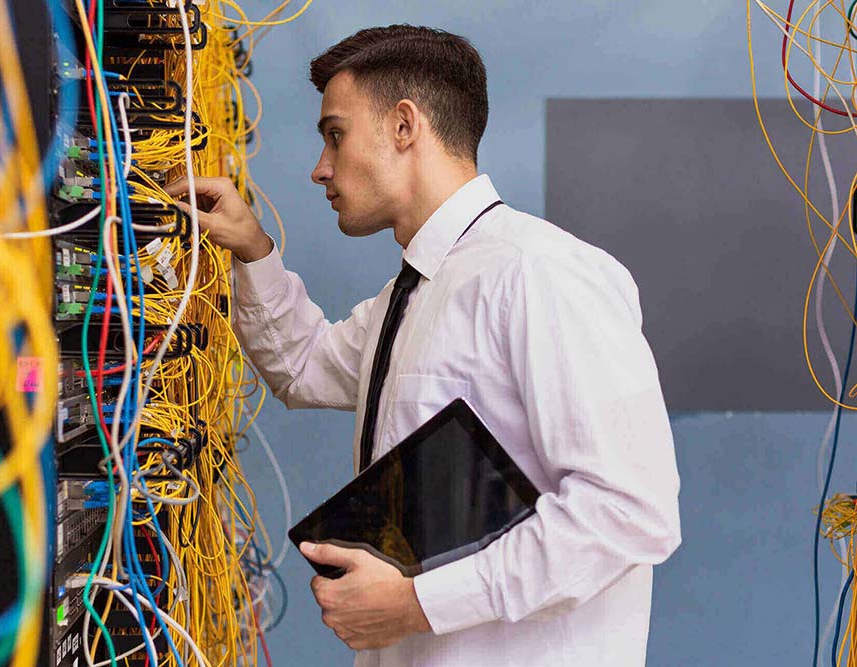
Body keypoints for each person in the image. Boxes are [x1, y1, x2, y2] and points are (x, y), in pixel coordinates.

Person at [166, 24, 681, 667]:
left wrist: (418, 604)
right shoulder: (415, 292)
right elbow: (303, 368)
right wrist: (251, 249)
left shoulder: (539, 273)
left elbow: (629, 512)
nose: (319, 168)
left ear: (404, 126)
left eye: (335, 135)